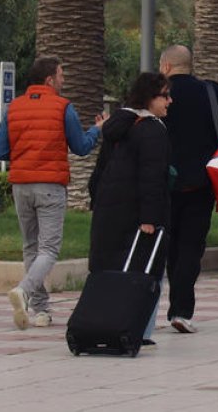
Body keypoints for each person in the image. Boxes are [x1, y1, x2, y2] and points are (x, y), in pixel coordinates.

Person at [0, 56, 107, 330]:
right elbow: (80, 147)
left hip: (20, 185)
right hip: (50, 186)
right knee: (49, 249)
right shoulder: (62, 107)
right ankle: (23, 291)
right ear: (49, 80)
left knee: (31, 247)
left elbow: (0, 151)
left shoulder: (14, 108)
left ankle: (41, 310)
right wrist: (97, 129)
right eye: (61, 74)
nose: (64, 79)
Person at [158, 45, 218, 334]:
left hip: (163, 183)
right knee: (191, 246)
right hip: (203, 182)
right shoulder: (211, 92)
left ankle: (165, 305)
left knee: (168, 245)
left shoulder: (159, 94)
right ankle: (181, 309)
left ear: (166, 66)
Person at [87, 72, 173, 346]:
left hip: (110, 210)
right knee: (143, 270)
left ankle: (104, 322)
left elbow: (101, 170)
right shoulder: (152, 130)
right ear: (149, 98)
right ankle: (136, 328)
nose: (170, 101)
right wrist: (150, 217)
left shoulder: (117, 126)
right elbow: (152, 177)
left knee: (110, 268)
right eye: (165, 96)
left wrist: (97, 200)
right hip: (137, 214)